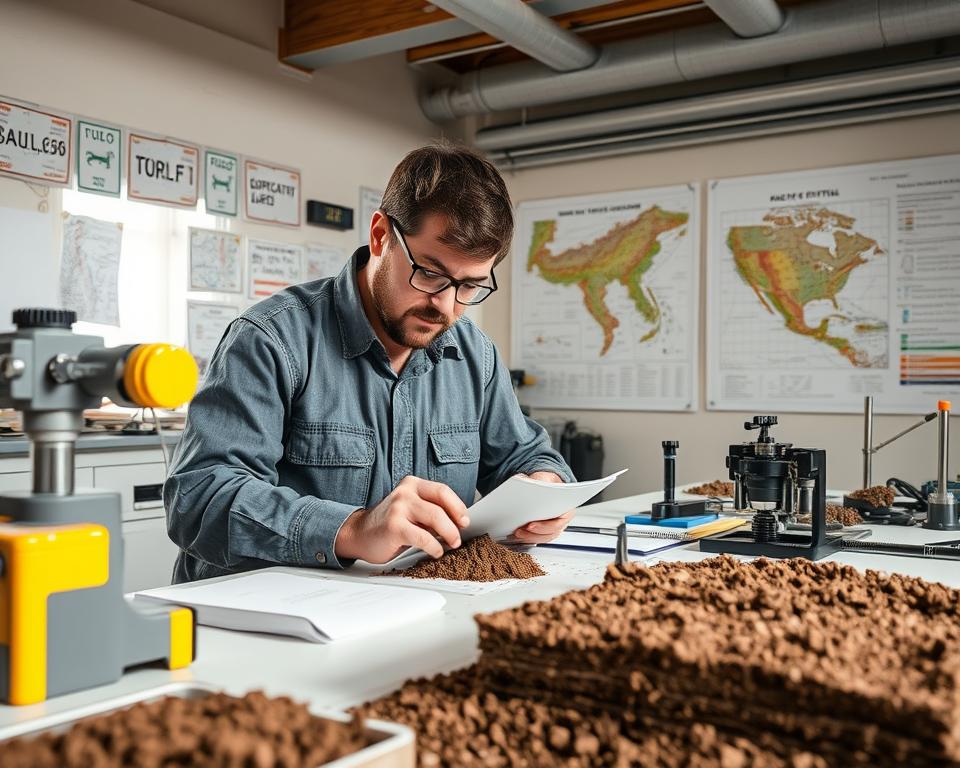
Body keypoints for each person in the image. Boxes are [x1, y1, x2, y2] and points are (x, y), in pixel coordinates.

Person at [164, 141, 575, 583]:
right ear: (381, 235)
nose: (446, 306)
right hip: (261, 621)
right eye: (431, 274)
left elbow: (527, 455)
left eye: (470, 287)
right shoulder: (271, 340)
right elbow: (198, 497)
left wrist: (546, 488)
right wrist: (353, 528)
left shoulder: (473, 353)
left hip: (405, 612)